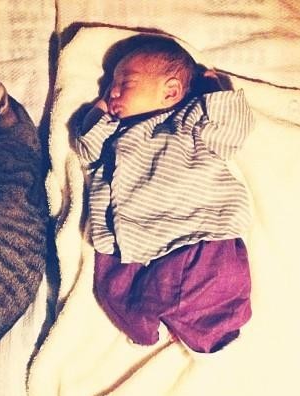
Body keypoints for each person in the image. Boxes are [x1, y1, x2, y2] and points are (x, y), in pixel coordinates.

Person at [75, 36, 254, 354]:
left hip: (194, 231)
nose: (112, 91)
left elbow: (232, 129)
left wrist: (215, 92)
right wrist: (99, 111)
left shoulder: (188, 122)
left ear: (170, 91)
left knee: (215, 283)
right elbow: (85, 147)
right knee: (113, 290)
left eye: (124, 83)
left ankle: (216, 333)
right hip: (128, 247)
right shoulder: (112, 135)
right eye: (110, 85)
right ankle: (143, 324)